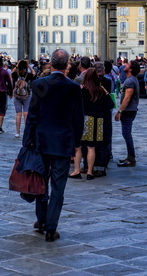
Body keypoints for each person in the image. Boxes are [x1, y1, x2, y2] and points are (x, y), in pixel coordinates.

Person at [23, 49, 84, 242]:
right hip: (63, 143)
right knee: (58, 188)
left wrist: (27, 141)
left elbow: (33, 115)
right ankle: (51, 228)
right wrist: (76, 143)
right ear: (67, 65)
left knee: (41, 183)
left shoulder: (40, 84)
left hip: (42, 141)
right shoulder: (73, 87)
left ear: (50, 63)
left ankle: (41, 220)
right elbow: (78, 118)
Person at [71, 68, 111, 181]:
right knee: (91, 147)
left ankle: (77, 170)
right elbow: (110, 104)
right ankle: (90, 172)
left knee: (78, 147)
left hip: (84, 120)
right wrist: (104, 90)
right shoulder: (100, 90)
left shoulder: (82, 90)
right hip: (97, 121)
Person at [115, 61, 141, 167]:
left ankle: (131, 158)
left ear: (130, 69)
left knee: (126, 134)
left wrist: (119, 111)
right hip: (131, 110)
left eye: (127, 65)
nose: (125, 65)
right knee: (126, 134)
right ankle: (130, 157)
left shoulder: (129, 81)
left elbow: (127, 98)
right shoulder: (131, 80)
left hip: (128, 111)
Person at [12, 60, 34, 138]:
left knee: (18, 114)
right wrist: (29, 67)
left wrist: (17, 66)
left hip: (17, 96)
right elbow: (34, 74)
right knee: (26, 114)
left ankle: (17, 132)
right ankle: (27, 131)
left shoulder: (15, 74)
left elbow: (11, 73)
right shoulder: (28, 75)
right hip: (26, 95)